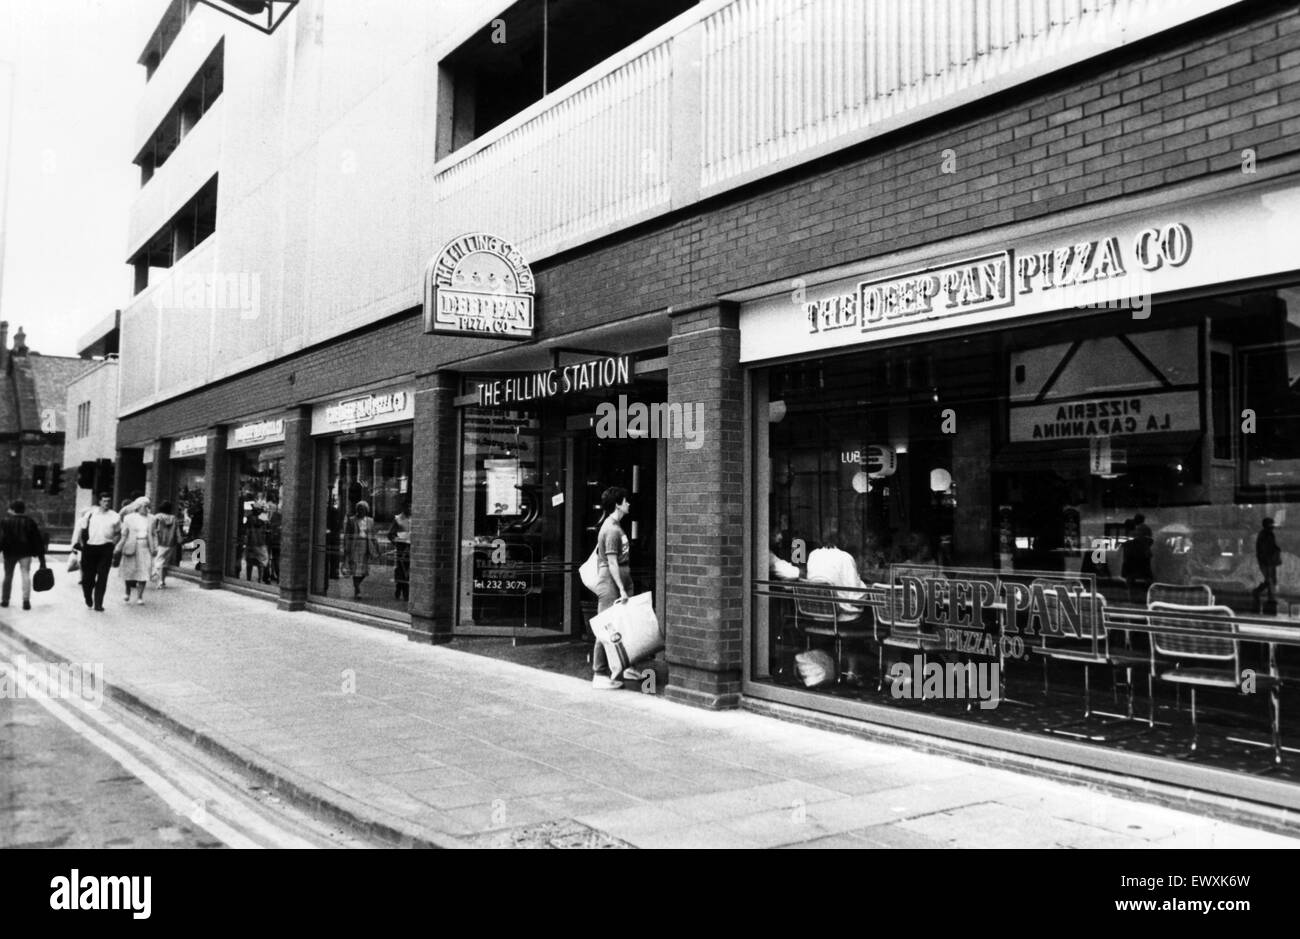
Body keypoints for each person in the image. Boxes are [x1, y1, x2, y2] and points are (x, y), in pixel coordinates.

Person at [591, 486, 633, 690]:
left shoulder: (616, 525)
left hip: (620, 578)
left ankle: (625, 665)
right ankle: (599, 673)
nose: (628, 504)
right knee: (606, 625)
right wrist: (621, 589)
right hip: (610, 581)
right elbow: (612, 562)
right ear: (617, 504)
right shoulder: (610, 529)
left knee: (624, 623)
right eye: (626, 501)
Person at [74, 493, 120, 611]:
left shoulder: (114, 516)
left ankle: (98, 603)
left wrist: (113, 544)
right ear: (99, 502)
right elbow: (82, 530)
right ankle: (88, 596)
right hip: (90, 548)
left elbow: (118, 532)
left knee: (102, 575)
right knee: (88, 578)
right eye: (104, 501)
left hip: (106, 548)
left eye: (109, 501)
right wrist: (81, 543)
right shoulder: (90, 514)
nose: (107, 503)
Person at [806, 529, 869, 615]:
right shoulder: (845, 557)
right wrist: (863, 586)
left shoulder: (813, 555)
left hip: (815, 612)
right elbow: (856, 598)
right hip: (843, 614)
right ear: (842, 542)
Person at [0, 500, 48, 610]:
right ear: (23, 510)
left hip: (9, 553)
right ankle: (26, 601)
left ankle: (5, 600)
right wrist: (42, 559)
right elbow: (37, 540)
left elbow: (1, 538)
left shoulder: (5, 521)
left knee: (8, 575)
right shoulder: (30, 521)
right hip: (25, 553)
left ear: (12, 510)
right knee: (25, 574)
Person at [116, 497, 156, 605]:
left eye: (149, 506)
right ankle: (127, 591)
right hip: (131, 545)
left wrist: (154, 547)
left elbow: (153, 534)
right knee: (129, 570)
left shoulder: (152, 518)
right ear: (138, 507)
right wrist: (119, 547)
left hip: (145, 546)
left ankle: (140, 596)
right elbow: (124, 534)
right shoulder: (128, 518)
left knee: (144, 571)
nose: (147, 509)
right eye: (145, 506)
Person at [343, 501, 379, 600]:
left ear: (366, 510)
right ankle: (357, 589)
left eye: (363, 509)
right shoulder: (351, 520)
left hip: (366, 546)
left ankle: (357, 584)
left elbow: (373, 535)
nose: (361, 511)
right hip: (355, 546)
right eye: (359, 509)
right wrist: (346, 547)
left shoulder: (370, 521)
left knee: (364, 570)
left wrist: (376, 547)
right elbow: (347, 535)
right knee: (355, 569)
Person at [1253, 517, 1282, 612]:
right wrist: (1267, 560)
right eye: (1271, 525)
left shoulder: (1268, 534)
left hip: (1269, 562)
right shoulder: (1264, 535)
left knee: (1271, 580)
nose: (1273, 528)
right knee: (1270, 580)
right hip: (1267, 562)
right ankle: (1267, 598)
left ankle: (1267, 597)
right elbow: (1264, 551)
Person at [150, 501, 180, 589]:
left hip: (160, 542)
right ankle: (162, 580)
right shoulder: (174, 518)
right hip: (171, 543)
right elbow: (177, 531)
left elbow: (152, 529)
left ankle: (157, 579)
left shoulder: (157, 517)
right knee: (165, 563)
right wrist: (179, 540)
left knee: (158, 562)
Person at [388, 499, 412, 600]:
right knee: (401, 569)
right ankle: (401, 589)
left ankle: (406, 590)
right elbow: (390, 534)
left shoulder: (416, 518)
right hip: (402, 547)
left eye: (410, 507)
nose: (409, 509)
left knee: (409, 570)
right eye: (407, 507)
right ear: (403, 508)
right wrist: (396, 542)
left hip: (411, 547)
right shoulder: (398, 519)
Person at [244, 506, 270, 583]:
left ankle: (248, 579)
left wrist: (246, 542)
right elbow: (267, 531)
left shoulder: (250, 520)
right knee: (261, 563)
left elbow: (247, 532)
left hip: (251, 544)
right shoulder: (263, 519)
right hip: (261, 544)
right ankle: (260, 580)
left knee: (249, 563)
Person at [266, 502, 282, 583]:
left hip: (273, 540)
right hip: (278, 541)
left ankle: (272, 575)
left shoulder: (274, 517)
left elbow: (269, 526)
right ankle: (276, 575)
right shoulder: (281, 517)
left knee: (273, 558)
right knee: (276, 558)